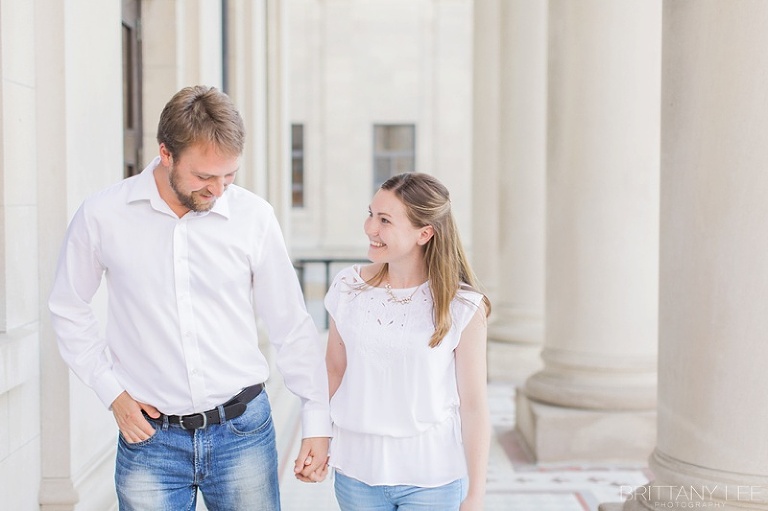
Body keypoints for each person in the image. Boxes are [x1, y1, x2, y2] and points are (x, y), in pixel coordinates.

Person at [48, 85, 330, 511]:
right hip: (150, 442)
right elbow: (68, 307)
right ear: (166, 154)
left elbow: (290, 323)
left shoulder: (253, 217)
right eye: (204, 177)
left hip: (243, 435)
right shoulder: (103, 215)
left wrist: (316, 420)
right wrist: (113, 394)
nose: (218, 190)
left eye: (229, 176)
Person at [324, 172, 491, 511]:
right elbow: (333, 372)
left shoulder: (462, 306)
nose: (371, 227)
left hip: (433, 480)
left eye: (385, 220)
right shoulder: (347, 287)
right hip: (356, 474)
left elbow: (473, 405)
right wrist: (316, 439)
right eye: (371, 214)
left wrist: (476, 494)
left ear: (424, 233)